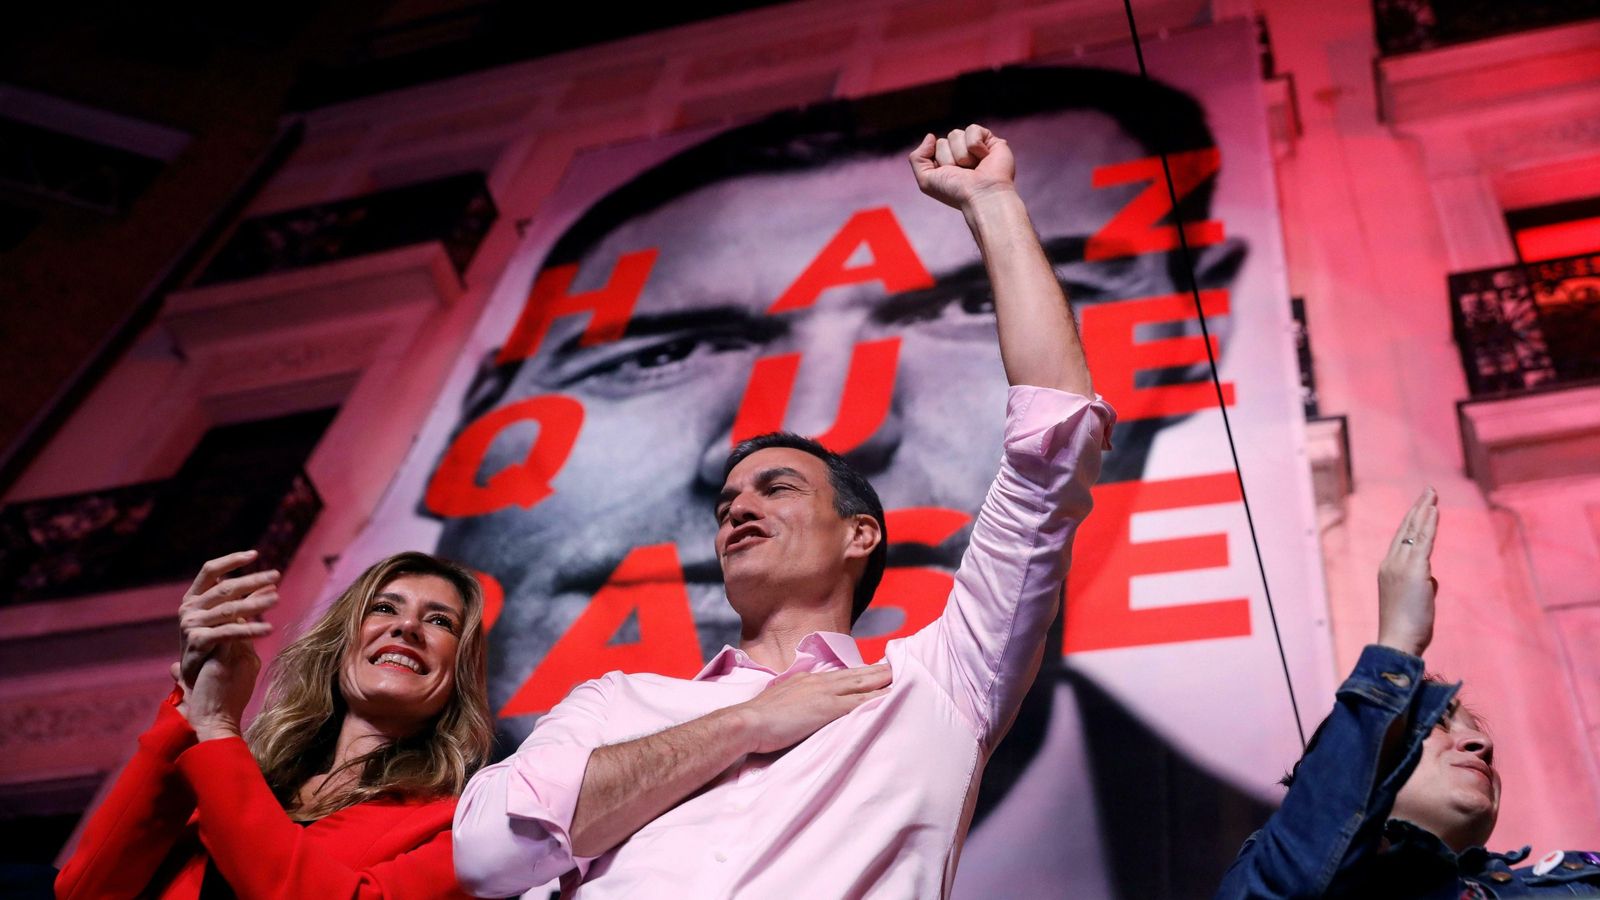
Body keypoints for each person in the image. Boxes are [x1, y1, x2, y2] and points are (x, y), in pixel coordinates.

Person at [435, 64, 1265, 896]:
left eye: (778, 488)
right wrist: (746, 724)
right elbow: (487, 853)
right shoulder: (616, 704)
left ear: (861, 534)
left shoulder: (938, 683)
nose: (735, 504)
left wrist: (992, 205)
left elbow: (1053, 440)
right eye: (668, 351)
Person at [1216, 488, 1600, 898]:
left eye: (1472, 731)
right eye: (1435, 726)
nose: (1482, 744)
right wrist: (1397, 645)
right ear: (1362, 764)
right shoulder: (1276, 873)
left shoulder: (1575, 883)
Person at [56, 549, 493, 898]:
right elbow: (85, 891)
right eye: (382, 608)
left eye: (440, 621)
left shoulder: (460, 830)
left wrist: (218, 728)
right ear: (338, 646)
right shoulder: (224, 779)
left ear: (460, 676)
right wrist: (192, 705)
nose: (407, 626)